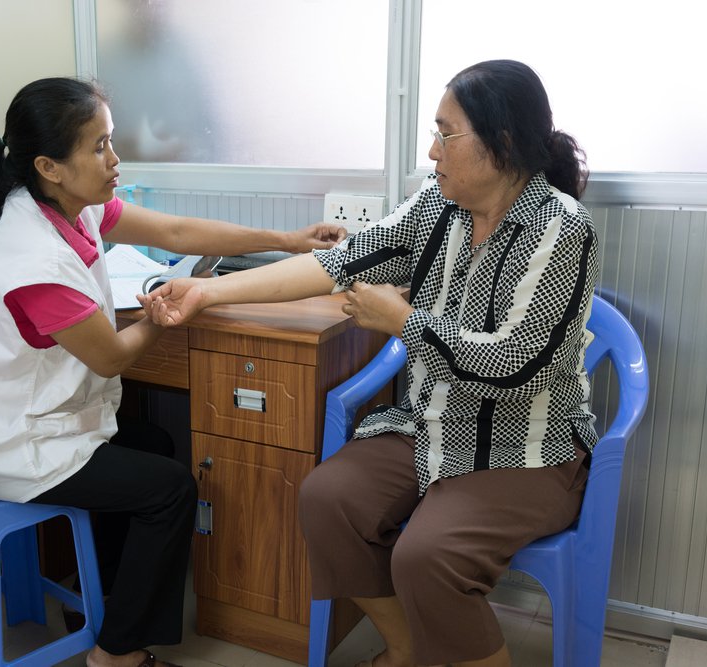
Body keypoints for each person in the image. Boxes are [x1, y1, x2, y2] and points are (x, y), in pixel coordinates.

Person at [141, 60, 597, 667]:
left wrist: (402, 322)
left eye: (446, 133)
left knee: (427, 557)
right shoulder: (439, 208)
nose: (432, 152)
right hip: (431, 424)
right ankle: (406, 649)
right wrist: (210, 292)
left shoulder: (562, 228)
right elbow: (341, 263)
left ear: (503, 143)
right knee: (327, 498)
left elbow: (518, 365)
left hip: (528, 447)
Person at [0, 76, 346, 667]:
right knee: (169, 489)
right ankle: (118, 653)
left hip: (9, 420)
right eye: (98, 146)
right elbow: (112, 356)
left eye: (110, 140)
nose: (114, 158)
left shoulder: (62, 208)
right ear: (50, 165)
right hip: (4, 446)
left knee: (151, 441)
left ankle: (96, 608)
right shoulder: (35, 258)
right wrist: (168, 309)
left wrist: (285, 239)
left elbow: (173, 232)